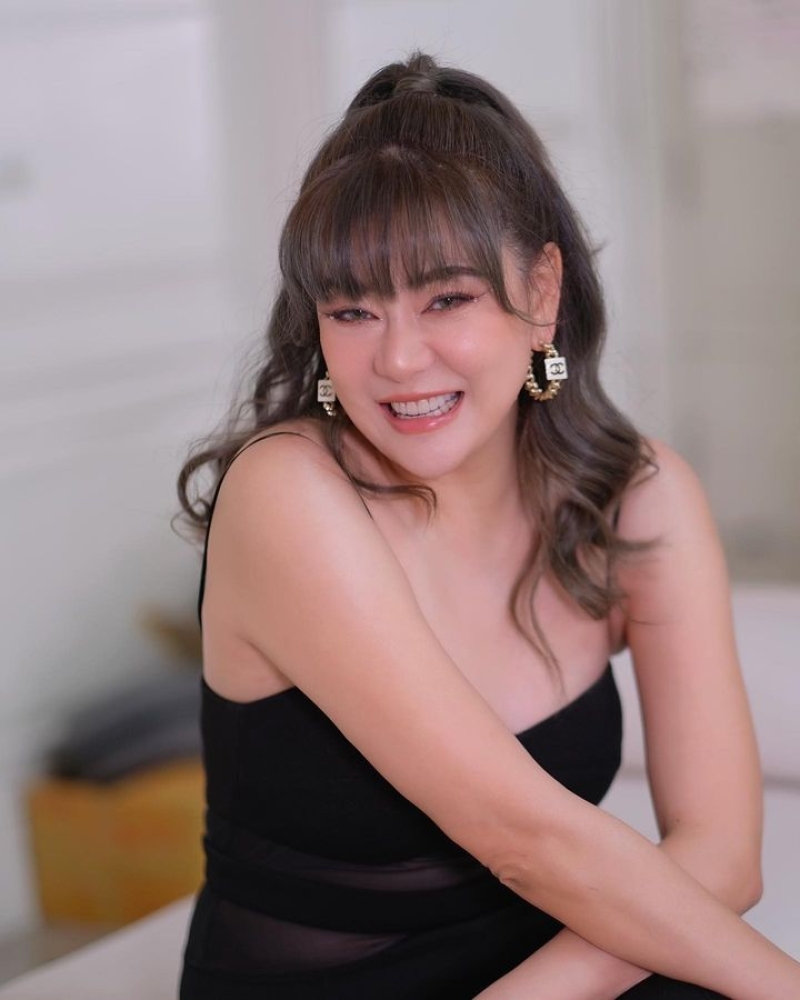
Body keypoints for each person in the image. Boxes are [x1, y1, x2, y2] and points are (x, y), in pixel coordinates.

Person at [176, 52, 799, 999]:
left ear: (541, 293)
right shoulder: (288, 494)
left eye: (447, 298)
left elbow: (721, 856)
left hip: (537, 975)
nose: (398, 358)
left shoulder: (638, 497)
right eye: (353, 310)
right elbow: (528, 840)